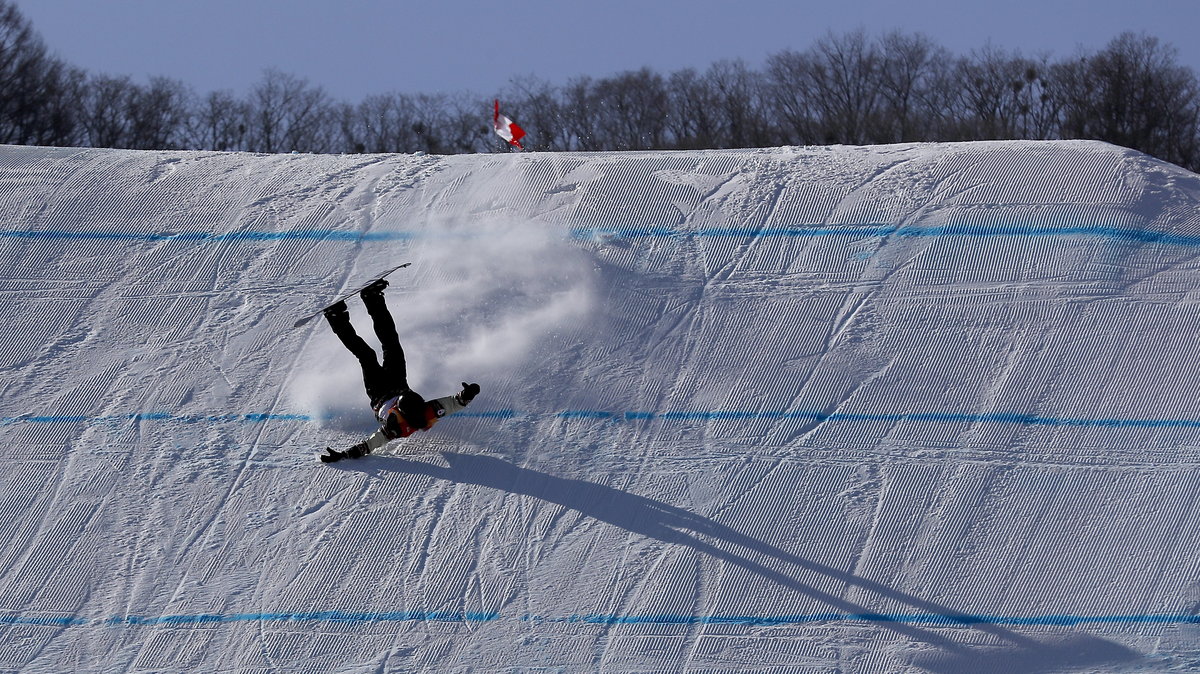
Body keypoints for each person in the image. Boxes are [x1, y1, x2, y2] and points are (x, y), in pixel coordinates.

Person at [320, 278, 479, 463]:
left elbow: (371, 444)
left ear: (400, 411)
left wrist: (344, 455)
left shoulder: (396, 427)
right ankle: (372, 298)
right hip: (399, 383)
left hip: (378, 393)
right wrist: (466, 395)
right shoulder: (426, 411)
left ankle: (336, 318)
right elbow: (451, 404)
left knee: (367, 355)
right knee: (392, 344)